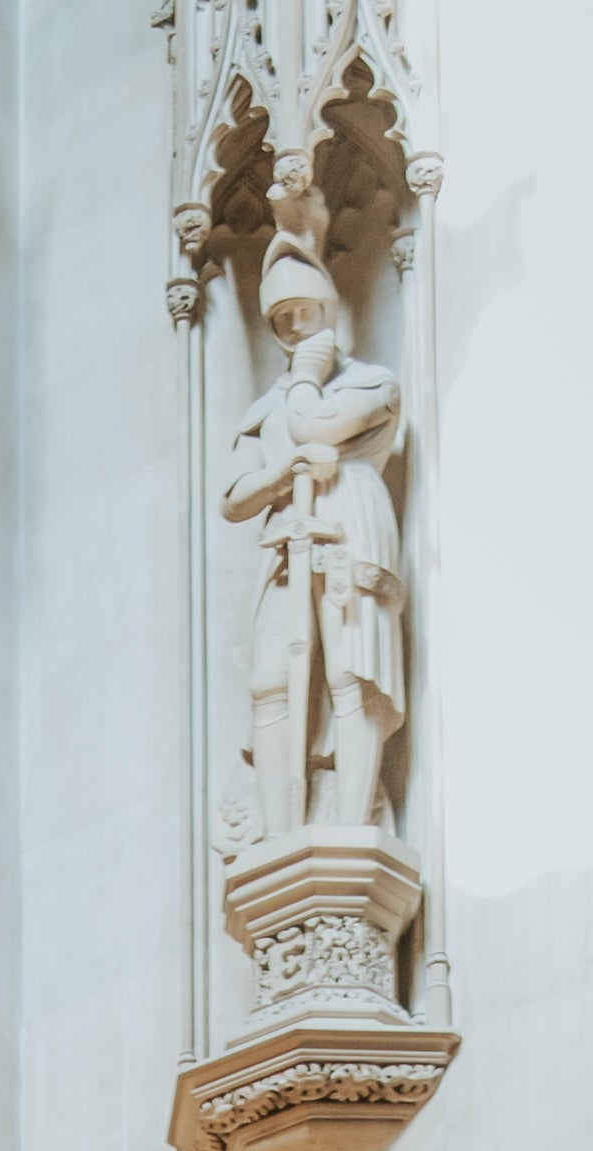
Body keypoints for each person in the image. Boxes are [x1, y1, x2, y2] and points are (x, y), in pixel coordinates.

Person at [222, 240, 407, 849]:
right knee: (271, 681)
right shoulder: (264, 408)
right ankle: (280, 834)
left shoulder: (373, 383)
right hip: (286, 538)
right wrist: (280, 477)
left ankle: (353, 825)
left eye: (306, 312)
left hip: (350, 515)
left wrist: (306, 379)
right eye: (283, 318)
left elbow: (315, 426)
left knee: (354, 670)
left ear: (328, 309)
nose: (297, 327)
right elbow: (234, 497)